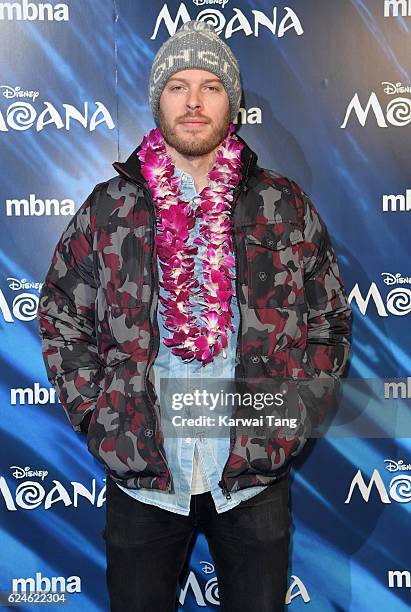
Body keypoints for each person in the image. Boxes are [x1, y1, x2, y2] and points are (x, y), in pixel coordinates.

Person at [37, 20, 352, 612]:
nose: (193, 102)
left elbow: (328, 315)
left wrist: (296, 413)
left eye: (210, 86)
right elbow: (60, 313)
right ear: (158, 98)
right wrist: (101, 413)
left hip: (252, 475)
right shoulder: (111, 207)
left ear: (230, 102)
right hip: (146, 478)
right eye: (178, 86)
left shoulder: (281, 203)